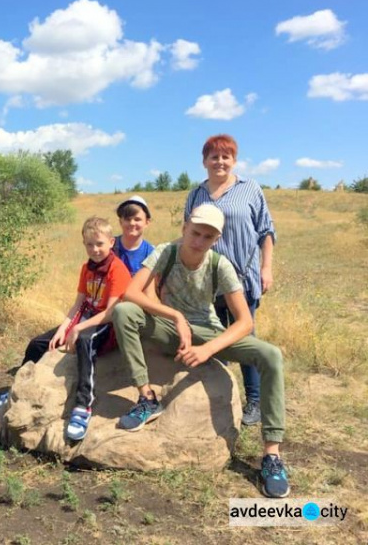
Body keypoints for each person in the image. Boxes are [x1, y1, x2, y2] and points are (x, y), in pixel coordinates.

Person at [112, 204, 289, 498]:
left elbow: (245, 322)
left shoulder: (220, 265)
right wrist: (175, 316)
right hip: (169, 328)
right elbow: (131, 292)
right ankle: (146, 399)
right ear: (184, 228)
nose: (198, 241)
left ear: (216, 239)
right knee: (124, 312)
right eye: (195, 232)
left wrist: (207, 349)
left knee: (270, 355)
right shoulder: (166, 252)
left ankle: (272, 455)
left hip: (208, 331)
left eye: (207, 237)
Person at [0, 217, 131, 440]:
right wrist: (63, 328)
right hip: (86, 317)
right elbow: (78, 303)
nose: (95, 249)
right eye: (89, 244)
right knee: (39, 343)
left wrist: (78, 329)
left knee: (85, 340)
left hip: (106, 325)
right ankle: (17, 390)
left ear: (111, 242)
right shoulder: (87, 268)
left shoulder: (117, 270)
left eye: (100, 244)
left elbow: (111, 313)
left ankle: (83, 406)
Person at [185, 134, 276, 426]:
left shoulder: (249, 189)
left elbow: (266, 231)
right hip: (205, 281)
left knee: (244, 338)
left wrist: (266, 268)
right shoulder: (196, 194)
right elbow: (187, 234)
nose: (220, 162)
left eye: (226, 156)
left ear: (234, 160)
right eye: (214, 156)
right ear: (204, 161)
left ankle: (255, 400)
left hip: (241, 278)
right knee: (213, 336)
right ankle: (222, 394)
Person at [113, 195, 154, 276]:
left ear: (147, 222)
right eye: (127, 219)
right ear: (120, 222)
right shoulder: (108, 247)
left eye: (137, 219)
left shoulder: (151, 253)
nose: (132, 223)